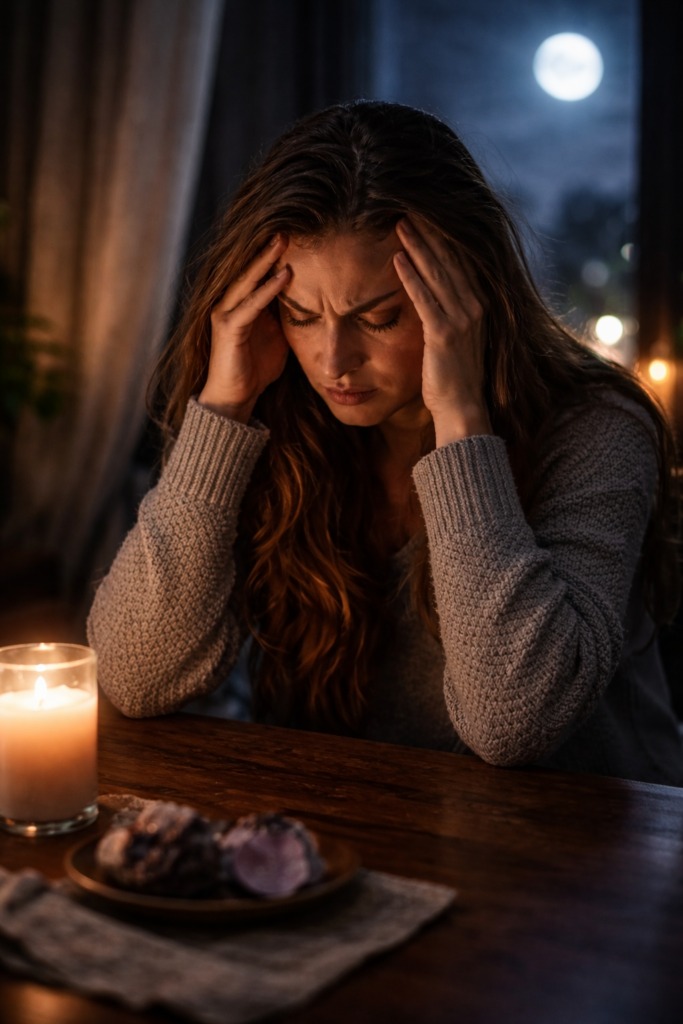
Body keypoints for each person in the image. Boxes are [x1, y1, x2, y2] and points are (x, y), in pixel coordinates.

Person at [88, 101, 683, 785]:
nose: (333, 361)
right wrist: (222, 412)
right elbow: (136, 677)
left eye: (378, 316)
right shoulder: (274, 417)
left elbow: (515, 722)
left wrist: (460, 417)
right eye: (300, 315)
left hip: (580, 860)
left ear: (467, 298)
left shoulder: (597, 426)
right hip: (346, 841)